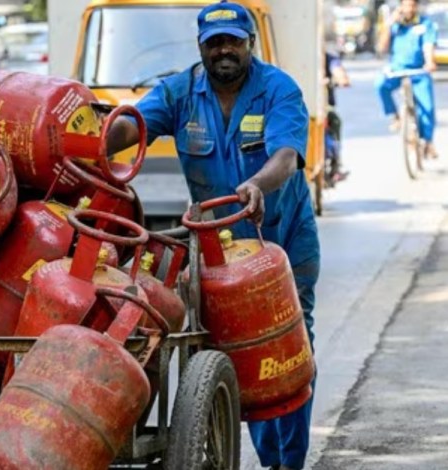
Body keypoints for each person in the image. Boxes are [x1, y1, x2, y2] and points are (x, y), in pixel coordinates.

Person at [105, 2, 320, 469]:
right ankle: (268, 458)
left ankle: (289, 461)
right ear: (202, 46)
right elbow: (132, 127)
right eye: (214, 42)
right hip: (216, 249)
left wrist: (256, 185)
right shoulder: (180, 91)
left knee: (286, 345)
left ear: (250, 43)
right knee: (238, 346)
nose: (225, 50)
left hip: (281, 239)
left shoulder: (278, 89)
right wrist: (91, 144)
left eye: (233, 41)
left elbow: (286, 156)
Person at [375, 0, 438, 159]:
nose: (409, 9)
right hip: (398, 69)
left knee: (427, 107)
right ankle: (394, 115)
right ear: (401, 6)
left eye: (412, 5)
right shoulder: (396, 24)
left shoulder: (425, 24)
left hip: (419, 70)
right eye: (406, 5)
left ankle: (427, 141)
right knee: (380, 85)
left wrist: (430, 61)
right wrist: (389, 25)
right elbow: (381, 48)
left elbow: (428, 45)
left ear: (416, 6)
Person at [324, 50, 351, 185]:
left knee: (335, 121)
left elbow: (338, 70)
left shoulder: (329, 58)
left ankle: (336, 164)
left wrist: (341, 79)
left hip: (324, 107)